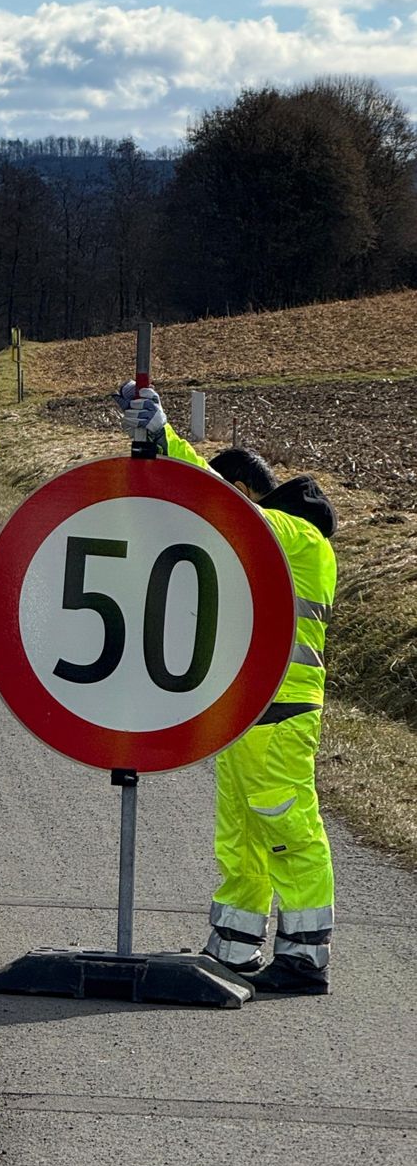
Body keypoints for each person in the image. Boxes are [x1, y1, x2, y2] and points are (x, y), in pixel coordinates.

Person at [121, 383, 337, 996]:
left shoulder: (301, 540)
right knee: (241, 832)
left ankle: (303, 956)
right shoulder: (287, 549)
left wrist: (165, 440)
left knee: (287, 826)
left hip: (280, 711)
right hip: (251, 714)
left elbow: (229, 511)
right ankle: (235, 947)